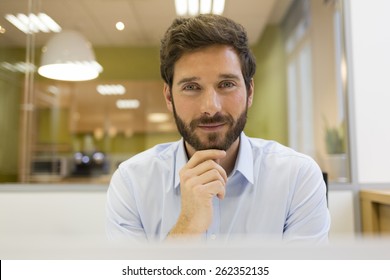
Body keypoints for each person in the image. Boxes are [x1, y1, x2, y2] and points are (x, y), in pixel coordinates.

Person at [106, 14, 330, 244]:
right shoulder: (132, 182)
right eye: (191, 87)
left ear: (249, 92)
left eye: (226, 84)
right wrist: (188, 226)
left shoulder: (298, 178)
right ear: (168, 96)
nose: (211, 107)